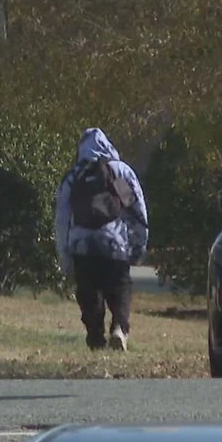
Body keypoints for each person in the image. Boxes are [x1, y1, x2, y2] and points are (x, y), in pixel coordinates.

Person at [55, 127, 149, 351]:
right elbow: (137, 208)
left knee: (89, 294)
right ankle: (119, 327)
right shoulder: (119, 172)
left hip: (82, 245)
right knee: (120, 288)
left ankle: (96, 338)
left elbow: (62, 217)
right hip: (115, 242)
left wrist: (64, 254)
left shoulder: (73, 175)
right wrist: (139, 244)